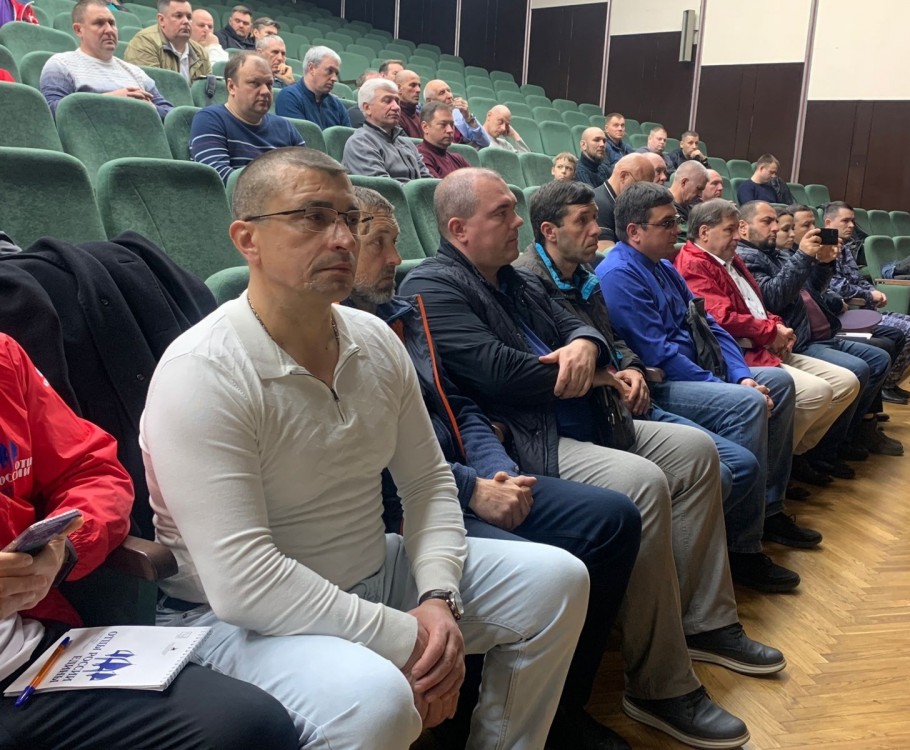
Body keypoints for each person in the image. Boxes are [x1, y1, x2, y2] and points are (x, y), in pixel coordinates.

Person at [143, 147, 589, 750]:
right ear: (247, 239)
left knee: (558, 582)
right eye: (312, 217)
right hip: (235, 622)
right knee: (376, 702)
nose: (341, 238)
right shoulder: (202, 370)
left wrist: (438, 597)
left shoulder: (375, 339)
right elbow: (243, 582)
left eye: (349, 219)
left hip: (373, 568)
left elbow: (428, 484)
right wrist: (409, 637)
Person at [400, 168, 783, 750]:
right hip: (531, 436)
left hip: (586, 416)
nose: (517, 221)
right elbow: (499, 373)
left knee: (696, 451)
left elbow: (582, 327)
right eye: (502, 213)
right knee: (643, 482)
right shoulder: (434, 283)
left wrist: (584, 345)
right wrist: (592, 370)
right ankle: (659, 685)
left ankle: (707, 622)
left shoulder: (514, 278)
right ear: (458, 229)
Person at [346, 185, 642, 750]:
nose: (394, 258)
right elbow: (372, 455)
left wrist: (497, 470)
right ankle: (472, 723)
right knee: (549, 561)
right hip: (406, 503)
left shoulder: (399, 314)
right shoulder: (401, 304)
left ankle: (561, 707)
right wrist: (472, 488)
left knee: (612, 519)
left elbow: (459, 405)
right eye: (379, 243)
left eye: (394, 241)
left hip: (465, 472)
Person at [0, 333, 301, 750]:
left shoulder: (4, 358)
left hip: (27, 657)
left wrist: (62, 550)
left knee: (251, 724)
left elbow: (92, 472)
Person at [595, 183, 806, 592]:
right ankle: (743, 548)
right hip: (666, 383)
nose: (677, 230)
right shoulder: (620, 274)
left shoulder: (664, 265)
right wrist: (723, 385)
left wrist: (740, 375)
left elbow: (710, 324)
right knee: (746, 405)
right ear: (635, 231)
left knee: (776, 382)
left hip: (702, 369)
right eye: (667, 223)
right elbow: (658, 354)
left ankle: (770, 508)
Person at [675, 199, 861, 492]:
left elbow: (759, 304)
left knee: (846, 383)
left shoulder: (731, 259)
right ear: (704, 232)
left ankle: (788, 460)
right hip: (741, 353)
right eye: (730, 230)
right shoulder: (695, 264)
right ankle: (774, 475)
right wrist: (770, 331)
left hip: (765, 343)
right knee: (817, 393)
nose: (737, 236)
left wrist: (778, 326)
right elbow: (722, 318)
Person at [736, 200, 902, 474]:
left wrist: (824, 264)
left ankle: (846, 437)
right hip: (800, 340)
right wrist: (803, 257)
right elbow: (773, 298)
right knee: (860, 368)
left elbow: (813, 290)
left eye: (780, 224)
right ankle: (820, 451)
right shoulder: (750, 257)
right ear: (743, 228)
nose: (778, 229)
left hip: (821, 331)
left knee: (879, 356)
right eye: (770, 223)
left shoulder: (778, 255)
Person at [824, 201, 910, 402]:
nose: (851, 226)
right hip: (847, 312)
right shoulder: (824, 250)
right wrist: (868, 296)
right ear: (829, 223)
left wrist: (873, 290)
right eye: (845, 221)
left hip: (864, 309)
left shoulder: (844, 248)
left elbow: (856, 279)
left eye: (852, 221)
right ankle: (884, 385)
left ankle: (889, 382)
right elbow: (837, 287)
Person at [40, 0, 173, 118]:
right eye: (99, 23)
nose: (109, 30)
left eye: (112, 23)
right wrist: (112, 100)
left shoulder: (136, 72)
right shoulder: (61, 64)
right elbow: (52, 113)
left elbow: (170, 114)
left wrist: (149, 108)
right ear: (79, 30)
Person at [189, 52, 305, 184]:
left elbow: (308, 175)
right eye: (255, 83)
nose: (265, 91)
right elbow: (218, 180)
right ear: (231, 87)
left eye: (269, 84)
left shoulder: (285, 127)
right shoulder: (209, 120)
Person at [342, 78, 431, 183]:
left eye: (397, 101)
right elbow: (383, 187)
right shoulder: (360, 143)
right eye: (387, 101)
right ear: (367, 108)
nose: (396, 107)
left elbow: (427, 181)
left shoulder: (407, 143)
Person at [124, 0, 210, 82]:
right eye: (178, 16)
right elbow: (152, 88)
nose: (186, 21)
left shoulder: (201, 53)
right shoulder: (144, 43)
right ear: (161, 20)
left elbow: (209, 89)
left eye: (189, 17)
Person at [275, 46, 350, 128]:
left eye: (336, 73)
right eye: (330, 71)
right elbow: (301, 135)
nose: (334, 78)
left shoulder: (338, 106)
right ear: (311, 68)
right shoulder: (289, 97)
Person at [595, 153, 655, 250]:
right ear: (623, 176)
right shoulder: (598, 204)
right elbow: (605, 252)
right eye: (641, 186)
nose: (645, 193)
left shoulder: (628, 203)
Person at [422, 79, 486, 146]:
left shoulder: (460, 113)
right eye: (442, 93)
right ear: (429, 101)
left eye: (449, 91)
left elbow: (485, 143)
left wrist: (468, 118)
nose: (450, 96)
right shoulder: (425, 121)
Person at [416, 101, 470, 178]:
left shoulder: (458, 159)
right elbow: (436, 185)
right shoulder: (419, 157)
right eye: (443, 125)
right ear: (425, 127)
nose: (450, 130)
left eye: (452, 125)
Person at [671, 159, 710, 240]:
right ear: (684, 182)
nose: (700, 195)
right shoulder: (663, 206)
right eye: (698, 189)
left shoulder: (692, 208)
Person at [394, 69, 423, 138]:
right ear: (398, 88)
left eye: (419, 86)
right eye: (413, 85)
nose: (418, 90)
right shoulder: (394, 116)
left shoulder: (421, 117)